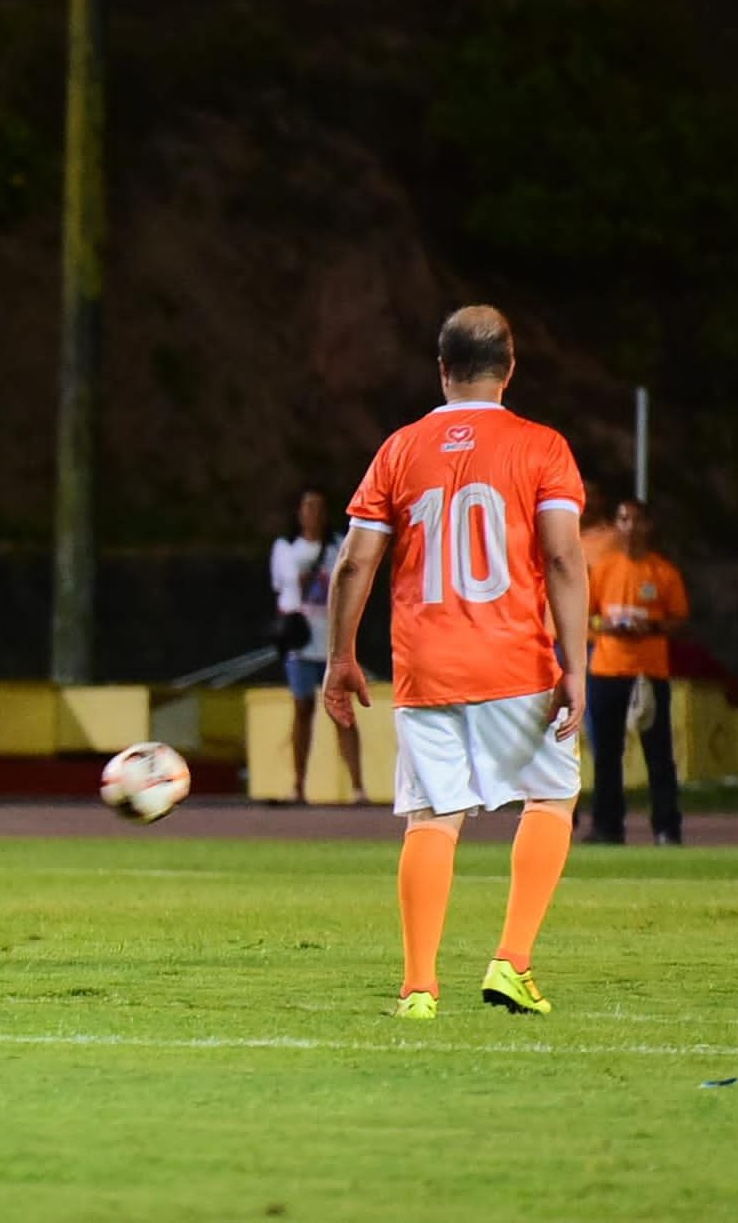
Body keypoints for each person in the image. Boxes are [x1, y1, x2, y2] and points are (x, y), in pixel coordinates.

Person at [322, 305, 589, 1021]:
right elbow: (563, 555)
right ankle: (512, 960)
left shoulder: (400, 449)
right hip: (517, 662)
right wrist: (578, 665)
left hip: (426, 666)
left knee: (433, 817)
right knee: (552, 796)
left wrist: (340, 657)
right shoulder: (543, 447)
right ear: (510, 366)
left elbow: (354, 563)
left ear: (441, 369)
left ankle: (417, 988)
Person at [584, 498, 689, 846]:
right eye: (622, 519)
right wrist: (606, 624)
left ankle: (666, 828)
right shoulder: (604, 569)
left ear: (648, 526)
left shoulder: (663, 572)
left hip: (648, 672)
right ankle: (607, 827)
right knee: (607, 755)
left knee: (658, 755)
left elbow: (677, 620)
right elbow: (587, 614)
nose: (629, 527)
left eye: (636, 520)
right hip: (607, 668)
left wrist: (652, 625)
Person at [269, 486, 366, 804]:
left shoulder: (338, 546)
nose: (314, 514)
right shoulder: (287, 548)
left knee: (342, 711)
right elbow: (281, 591)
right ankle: (298, 785)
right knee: (302, 709)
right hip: (301, 643)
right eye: (308, 507)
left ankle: (357, 787)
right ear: (298, 512)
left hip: (332, 641)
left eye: (319, 508)